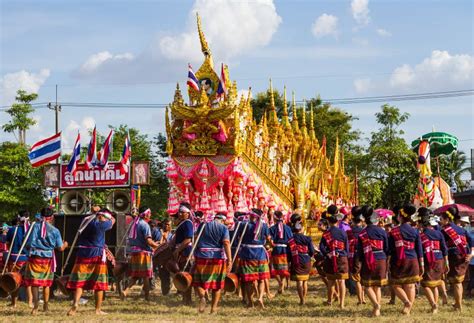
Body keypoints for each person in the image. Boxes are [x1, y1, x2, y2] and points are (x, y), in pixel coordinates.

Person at [66, 208, 115, 316]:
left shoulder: (85, 221)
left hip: (83, 253)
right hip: (96, 254)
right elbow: (113, 220)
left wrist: (96, 213)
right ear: (102, 216)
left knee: (80, 282)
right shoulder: (101, 225)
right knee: (99, 283)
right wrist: (105, 215)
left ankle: (75, 304)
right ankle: (97, 309)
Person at [24, 208, 68, 315]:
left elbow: (27, 243)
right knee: (46, 284)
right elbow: (60, 248)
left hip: (35, 258)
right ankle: (46, 306)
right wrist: (65, 244)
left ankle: (35, 307)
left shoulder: (33, 227)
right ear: (52, 217)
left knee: (34, 283)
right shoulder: (55, 230)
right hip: (48, 259)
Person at [192, 213, 232, 314]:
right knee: (217, 285)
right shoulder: (223, 228)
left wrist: (194, 253)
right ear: (222, 220)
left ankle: (202, 297)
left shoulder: (203, 225)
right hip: (217, 258)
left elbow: (195, 239)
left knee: (199, 282)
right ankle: (213, 308)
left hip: (202, 256)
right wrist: (230, 260)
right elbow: (226, 243)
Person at [388, 204, 423, 315]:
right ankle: (408, 308)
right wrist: (421, 264)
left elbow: (390, 249)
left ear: (400, 217)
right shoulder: (415, 231)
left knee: (395, 284)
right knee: (410, 284)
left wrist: (388, 261)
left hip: (399, 260)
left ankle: (406, 302)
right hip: (413, 260)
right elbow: (419, 249)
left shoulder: (393, 231)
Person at [121, 207, 159, 301]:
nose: (150, 215)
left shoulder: (133, 224)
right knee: (146, 276)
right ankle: (147, 297)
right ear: (146, 214)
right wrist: (158, 246)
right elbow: (149, 241)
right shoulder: (144, 225)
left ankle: (125, 291)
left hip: (134, 253)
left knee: (135, 275)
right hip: (143, 254)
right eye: (149, 213)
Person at [440, 206, 473, 311]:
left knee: (457, 282)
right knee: (458, 281)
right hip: (464, 257)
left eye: (441, 219)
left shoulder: (445, 231)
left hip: (454, 257)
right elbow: (471, 242)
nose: (440, 221)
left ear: (447, 219)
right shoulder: (462, 230)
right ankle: (457, 303)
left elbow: (442, 245)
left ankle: (459, 305)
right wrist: (471, 254)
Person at [357, 207, 389, 317]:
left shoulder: (362, 233)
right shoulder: (382, 231)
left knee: (367, 285)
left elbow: (360, 252)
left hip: (368, 260)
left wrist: (359, 263)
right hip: (381, 259)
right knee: (377, 286)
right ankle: (377, 309)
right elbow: (386, 248)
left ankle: (376, 305)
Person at [238, 208, 270, 309]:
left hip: (247, 255)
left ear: (252, 216)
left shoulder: (243, 225)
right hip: (260, 255)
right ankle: (260, 298)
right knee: (261, 279)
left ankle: (251, 302)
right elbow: (268, 238)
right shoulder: (264, 226)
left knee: (249, 280)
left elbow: (238, 238)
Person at [417, 207, 448, 314]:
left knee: (425, 285)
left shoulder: (421, 236)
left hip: (428, 260)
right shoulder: (439, 233)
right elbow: (444, 249)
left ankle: (434, 304)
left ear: (421, 224)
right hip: (439, 260)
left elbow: (420, 252)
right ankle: (435, 305)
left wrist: (420, 265)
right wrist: (446, 263)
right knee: (434, 284)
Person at [319, 205, 349, 308]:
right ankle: (342, 304)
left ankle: (329, 301)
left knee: (331, 281)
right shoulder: (343, 233)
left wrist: (327, 254)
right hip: (341, 258)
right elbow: (346, 247)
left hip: (330, 258)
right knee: (342, 281)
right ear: (337, 220)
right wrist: (344, 255)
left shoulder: (326, 233)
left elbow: (322, 247)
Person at [3, 210, 32, 308]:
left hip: (14, 258)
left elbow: (7, 243)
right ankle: (30, 302)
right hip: (27, 258)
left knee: (14, 280)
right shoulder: (31, 230)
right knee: (28, 281)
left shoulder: (12, 230)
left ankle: (14, 303)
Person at [288, 213, 315, 305]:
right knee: (305, 281)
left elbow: (289, 252)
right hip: (306, 260)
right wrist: (310, 256)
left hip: (296, 260)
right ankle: (304, 298)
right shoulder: (307, 238)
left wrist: (289, 261)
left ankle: (302, 299)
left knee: (299, 281)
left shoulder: (291, 239)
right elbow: (311, 251)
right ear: (301, 229)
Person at [173, 202, 195, 305]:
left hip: (185, 252)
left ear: (188, 213)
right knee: (182, 274)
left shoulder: (188, 223)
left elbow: (187, 239)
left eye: (182, 212)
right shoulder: (183, 223)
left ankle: (188, 299)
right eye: (179, 212)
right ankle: (185, 299)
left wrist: (178, 250)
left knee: (186, 275)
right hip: (181, 251)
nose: (180, 214)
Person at [269, 210, 293, 294]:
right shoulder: (288, 228)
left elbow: (270, 240)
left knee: (274, 269)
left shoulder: (272, 229)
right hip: (286, 250)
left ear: (274, 218)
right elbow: (291, 240)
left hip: (276, 250)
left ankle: (280, 283)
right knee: (284, 269)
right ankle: (281, 286)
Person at [347, 206, 366, 305]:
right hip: (365, 256)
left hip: (355, 257)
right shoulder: (365, 231)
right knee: (362, 277)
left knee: (356, 278)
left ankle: (360, 300)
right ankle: (363, 298)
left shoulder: (349, 233)